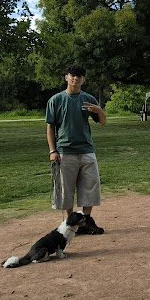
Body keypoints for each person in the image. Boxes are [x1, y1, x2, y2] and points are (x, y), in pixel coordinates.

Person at [46, 65, 107, 235]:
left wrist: (99, 110)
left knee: (90, 187)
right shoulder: (56, 100)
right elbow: (50, 127)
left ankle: (84, 221)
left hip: (87, 150)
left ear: (83, 79)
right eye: (72, 75)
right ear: (66, 77)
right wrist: (53, 150)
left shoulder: (88, 99)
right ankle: (69, 222)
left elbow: (102, 122)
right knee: (66, 189)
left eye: (79, 76)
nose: (76, 79)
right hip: (65, 151)